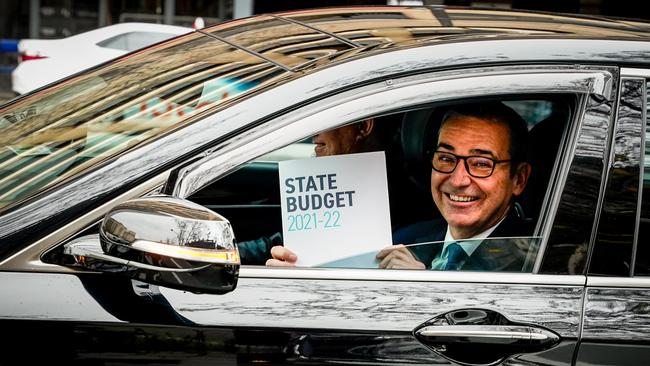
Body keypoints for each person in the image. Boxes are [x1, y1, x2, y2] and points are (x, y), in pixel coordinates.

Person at [241, 115, 433, 265]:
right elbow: (285, 244)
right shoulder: (345, 183)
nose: (314, 133)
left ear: (364, 127)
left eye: (326, 120)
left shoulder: (391, 193)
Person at [376, 101, 533, 270]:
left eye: (481, 164)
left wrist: (423, 287)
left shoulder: (534, 260)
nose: (457, 181)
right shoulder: (402, 240)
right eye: (445, 158)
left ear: (518, 179)